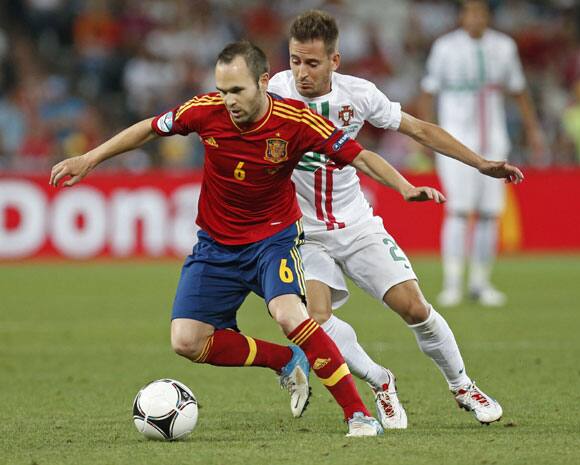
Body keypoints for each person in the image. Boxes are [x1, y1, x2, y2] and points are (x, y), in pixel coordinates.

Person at [49, 40, 447, 437]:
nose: (228, 101)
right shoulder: (204, 111)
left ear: (263, 82)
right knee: (187, 341)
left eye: (237, 90)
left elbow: (360, 155)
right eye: (222, 90)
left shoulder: (297, 122)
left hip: (273, 240)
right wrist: (89, 158)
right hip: (216, 246)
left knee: (290, 314)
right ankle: (285, 361)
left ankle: (358, 415)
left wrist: (405, 186)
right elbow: (148, 129)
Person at [268, 9, 523, 427]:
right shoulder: (276, 91)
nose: (301, 72)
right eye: (295, 60)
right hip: (305, 233)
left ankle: (462, 386)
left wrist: (480, 164)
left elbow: (420, 130)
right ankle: (380, 380)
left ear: (335, 61)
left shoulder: (359, 95)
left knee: (414, 308)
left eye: (312, 62)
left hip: (357, 222)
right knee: (315, 320)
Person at [419, 0, 544, 307]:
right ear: (462, 15)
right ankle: (452, 283)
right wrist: (426, 138)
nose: (475, 17)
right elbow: (427, 92)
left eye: (480, 12)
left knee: (489, 212)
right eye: (469, 11)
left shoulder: (504, 46)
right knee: (459, 209)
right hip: (456, 140)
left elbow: (518, 90)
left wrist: (532, 129)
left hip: (494, 140)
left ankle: (479, 282)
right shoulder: (445, 47)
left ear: (487, 15)